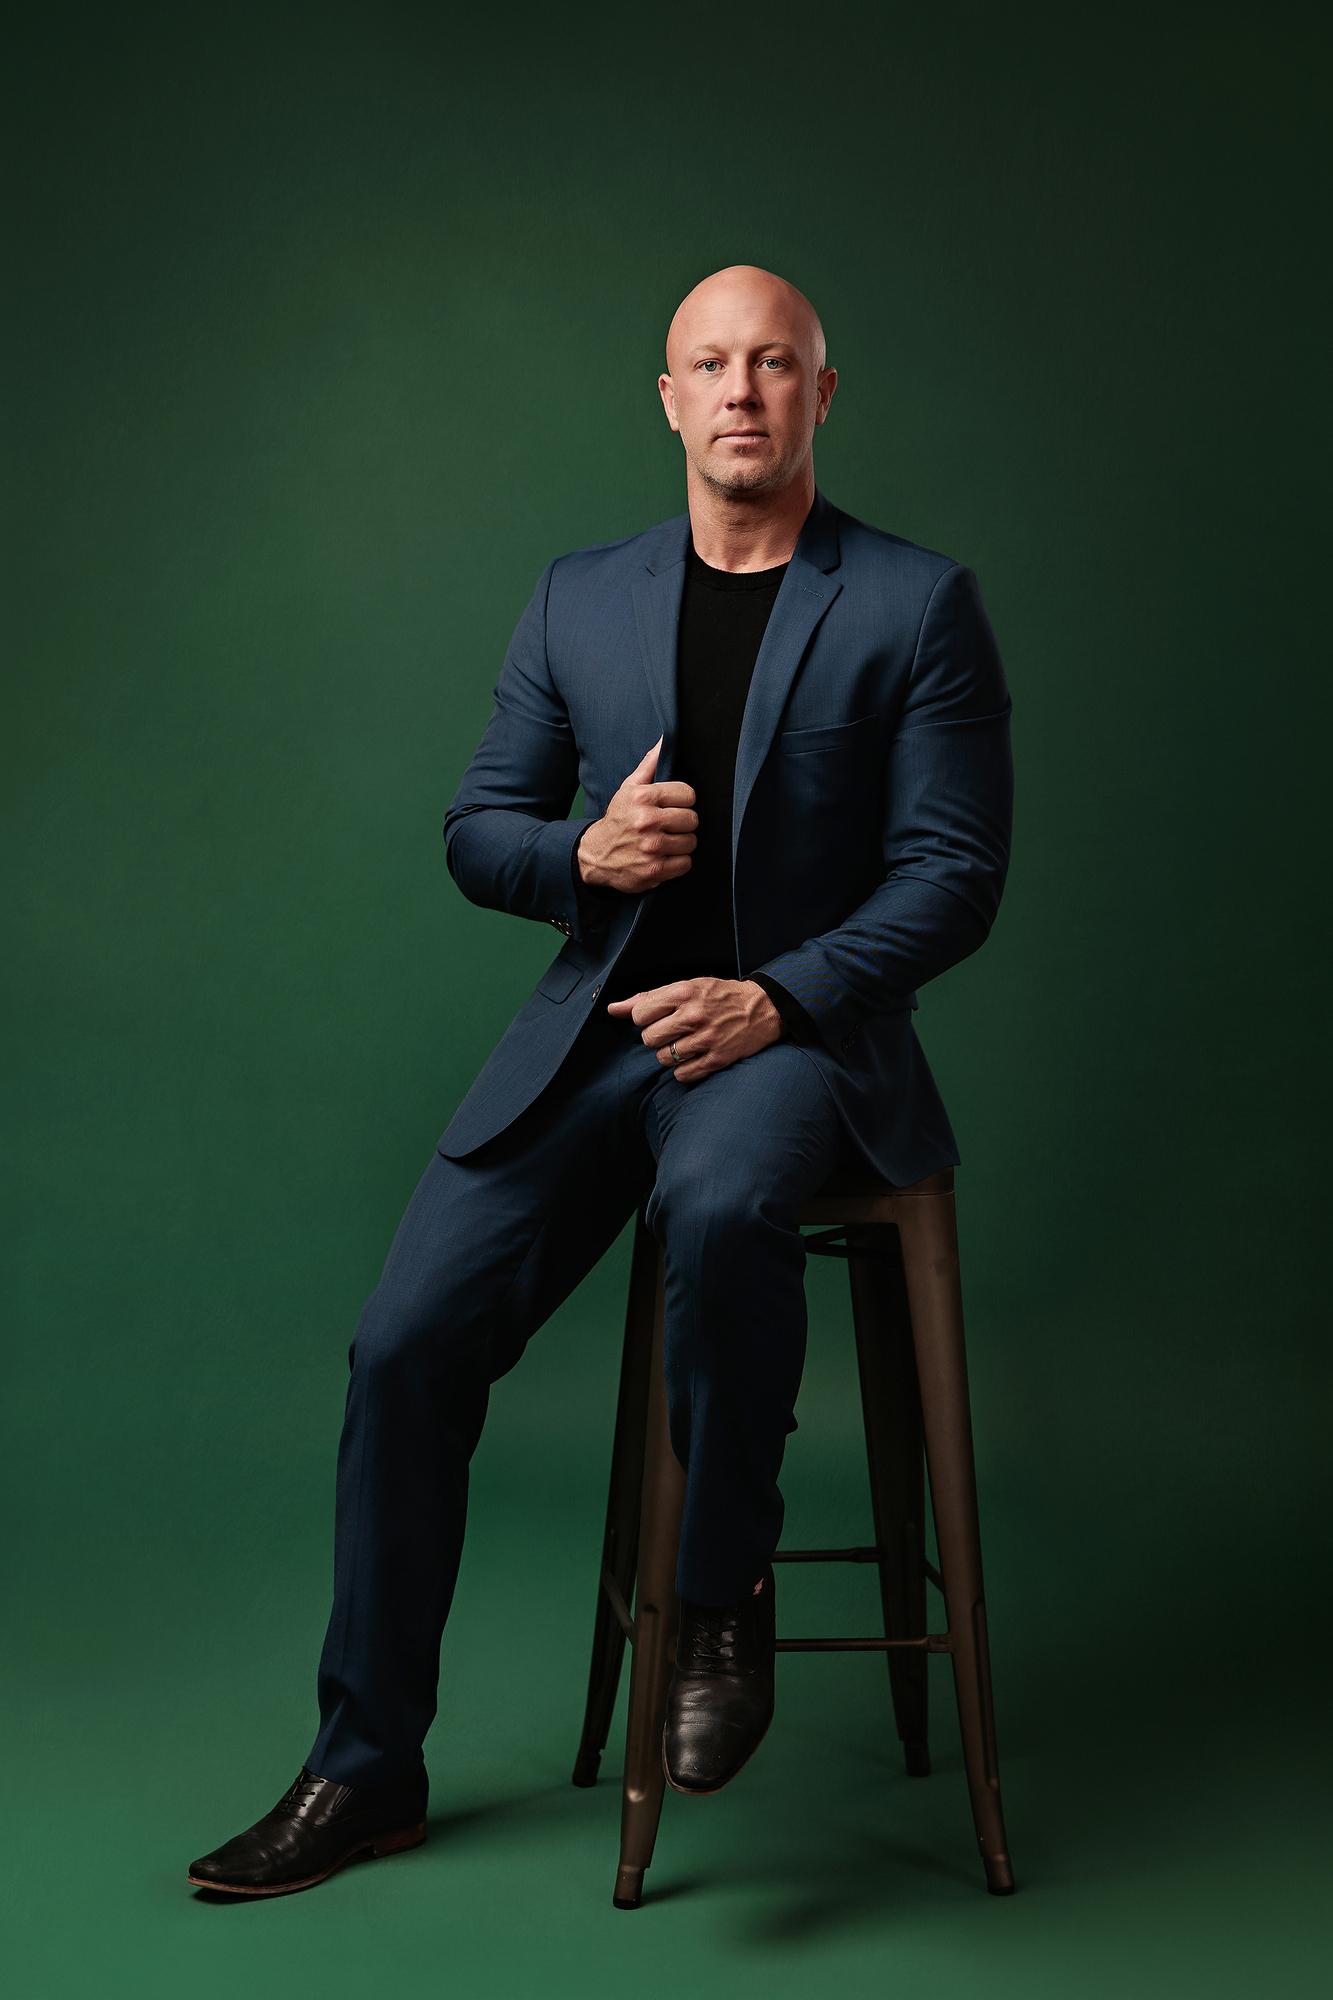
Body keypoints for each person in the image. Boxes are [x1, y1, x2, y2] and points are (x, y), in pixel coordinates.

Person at [188, 264, 1014, 1896]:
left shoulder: (915, 604)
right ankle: (365, 1767)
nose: (740, 392)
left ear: (820, 395)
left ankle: (719, 1600)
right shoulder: (580, 597)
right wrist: (583, 852)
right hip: (602, 1033)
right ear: (666, 399)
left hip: (793, 1043)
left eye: (774, 364)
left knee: (717, 1212)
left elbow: (951, 873)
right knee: (406, 1340)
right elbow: (474, 827)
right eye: (709, 364)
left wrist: (778, 997)